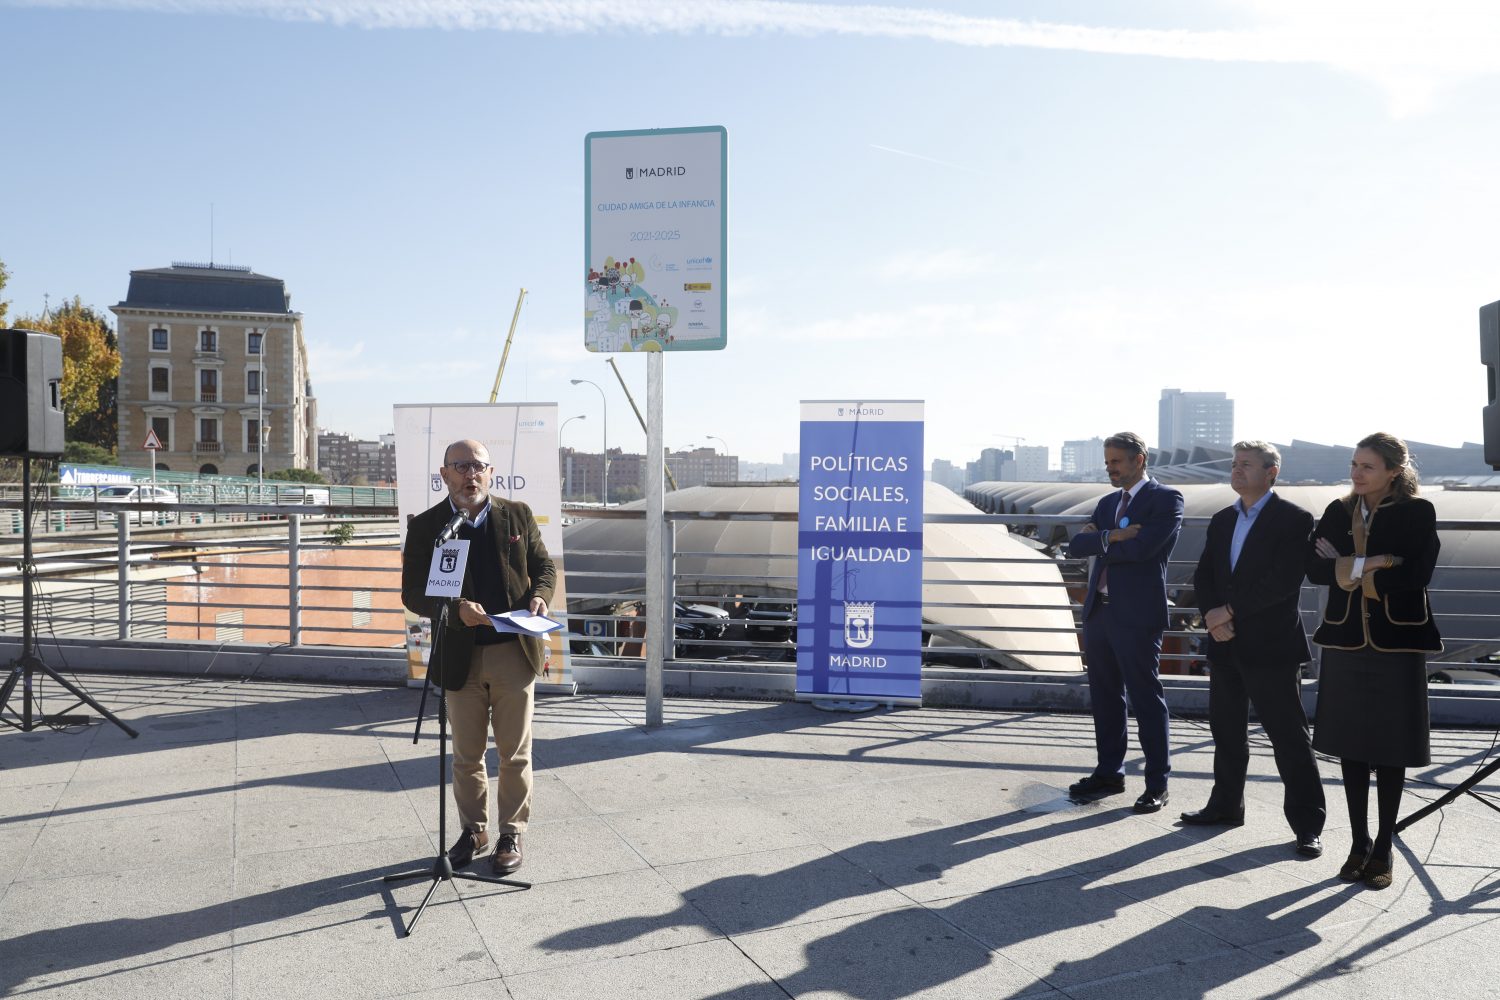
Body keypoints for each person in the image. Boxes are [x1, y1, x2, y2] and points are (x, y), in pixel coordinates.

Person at [401, 438, 557, 876]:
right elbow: (412, 592)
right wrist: (452, 609)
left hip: (513, 650)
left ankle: (511, 832)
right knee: (466, 756)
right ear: (444, 474)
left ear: (491, 473)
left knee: (515, 753)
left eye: (478, 466)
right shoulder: (429, 526)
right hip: (459, 655)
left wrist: (541, 598)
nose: (471, 474)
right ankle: (475, 831)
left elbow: (544, 568)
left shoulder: (518, 515)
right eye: (461, 466)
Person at [1306, 431, 1440, 890]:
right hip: (1344, 641)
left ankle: (1384, 846)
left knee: (1390, 748)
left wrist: (1348, 565)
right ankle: (1358, 842)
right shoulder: (1337, 511)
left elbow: (1418, 574)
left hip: (1396, 642)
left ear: (1393, 471)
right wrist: (1379, 562)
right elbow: (1314, 568)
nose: (1356, 473)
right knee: (1351, 746)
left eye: (1367, 466)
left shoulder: (1417, 512)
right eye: (1354, 464)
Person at [1184, 441, 1325, 857]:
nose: (1236, 470)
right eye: (1234, 464)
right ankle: (1226, 806)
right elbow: (1205, 572)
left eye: (1246, 464)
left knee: (1288, 737)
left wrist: (1226, 612)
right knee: (1226, 731)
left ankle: (1307, 825)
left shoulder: (1294, 519)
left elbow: (1282, 582)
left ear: (1271, 472)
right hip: (1224, 641)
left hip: (1270, 644)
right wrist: (1211, 614)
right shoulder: (1222, 518)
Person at [1065, 431, 1184, 812]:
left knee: (1146, 698)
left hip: (1136, 615)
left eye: (1116, 461)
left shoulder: (1166, 500)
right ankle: (1108, 773)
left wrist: (1104, 542)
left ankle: (1156, 784)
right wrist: (1115, 535)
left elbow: (1145, 549)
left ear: (1140, 460)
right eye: (1107, 462)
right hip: (1100, 612)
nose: (1110, 469)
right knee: (1105, 696)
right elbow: (1075, 546)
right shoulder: (1106, 503)